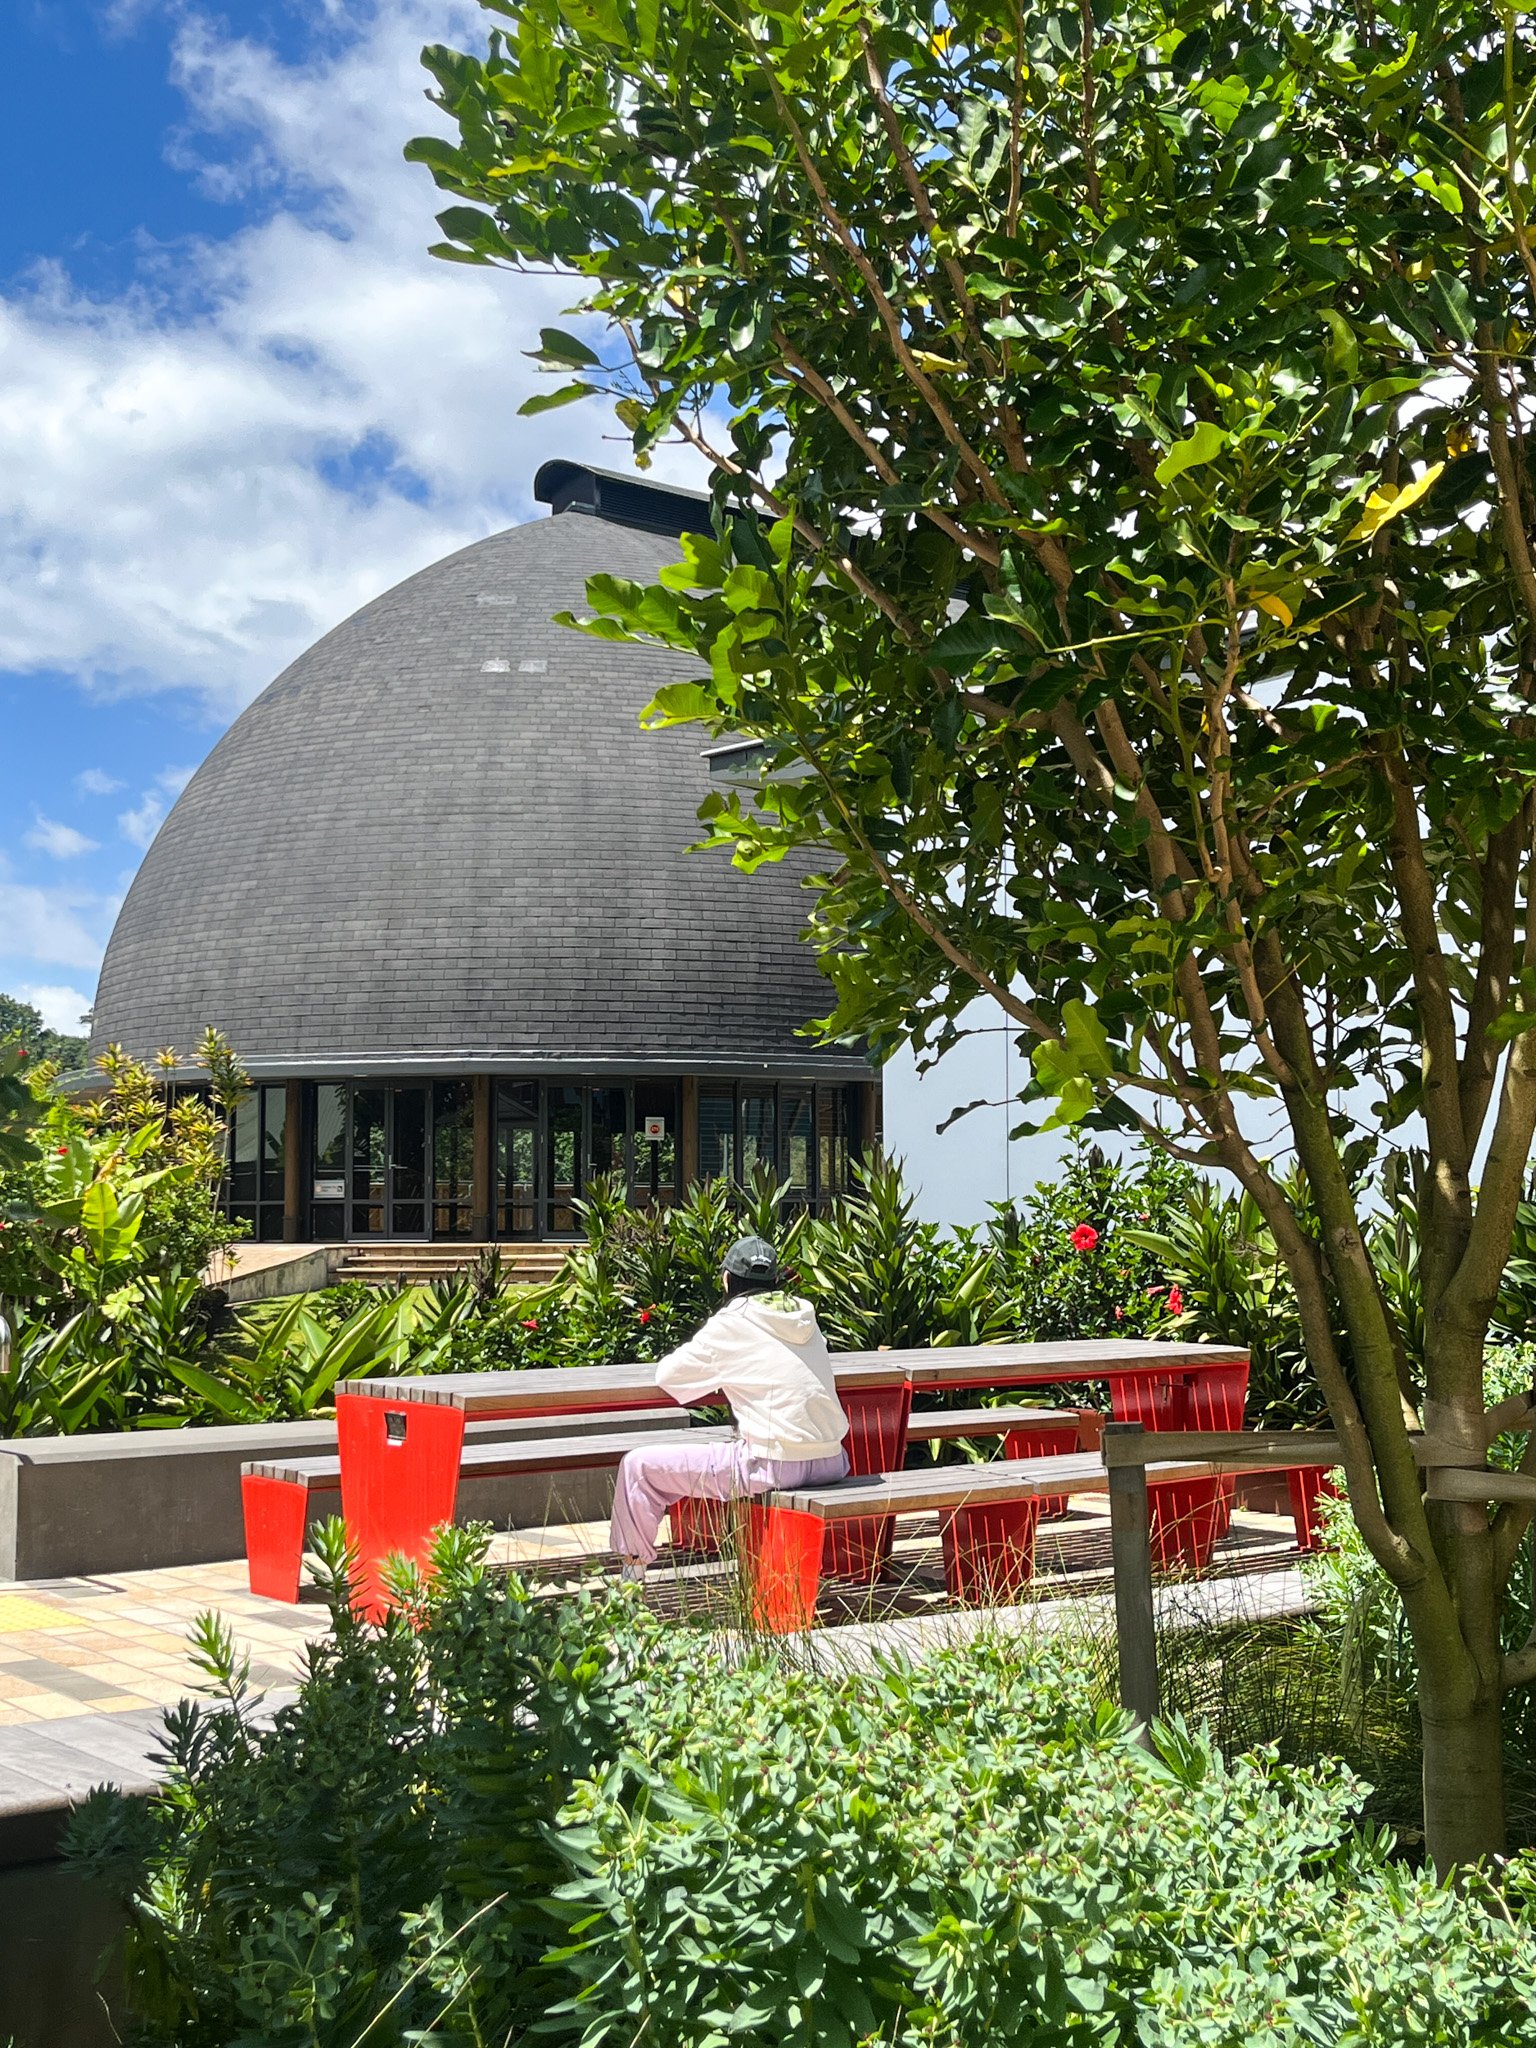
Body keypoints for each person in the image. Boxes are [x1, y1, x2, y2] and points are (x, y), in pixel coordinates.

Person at [610, 1233, 850, 1578]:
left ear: (727, 1279)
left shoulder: (733, 1321)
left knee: (639, 1467)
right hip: (831, 1460)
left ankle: (629, 1586)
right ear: (775, 1279)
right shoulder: (805, 1318)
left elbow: (670, 1377)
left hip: (774, 1464)